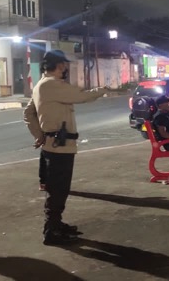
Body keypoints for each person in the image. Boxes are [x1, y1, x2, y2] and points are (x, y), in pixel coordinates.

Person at [23, 50, 108, 245]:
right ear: (59, 65)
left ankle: (56, 224)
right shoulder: (53, 85)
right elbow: (82, 96)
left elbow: (28, 113)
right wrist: (103, 89)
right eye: (64, 64)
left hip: (53, 145)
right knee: (59, 189)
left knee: (57, 188)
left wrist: (39, 135)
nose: (66, 67)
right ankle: (51, 230)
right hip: (59, 147)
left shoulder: (40, 86)